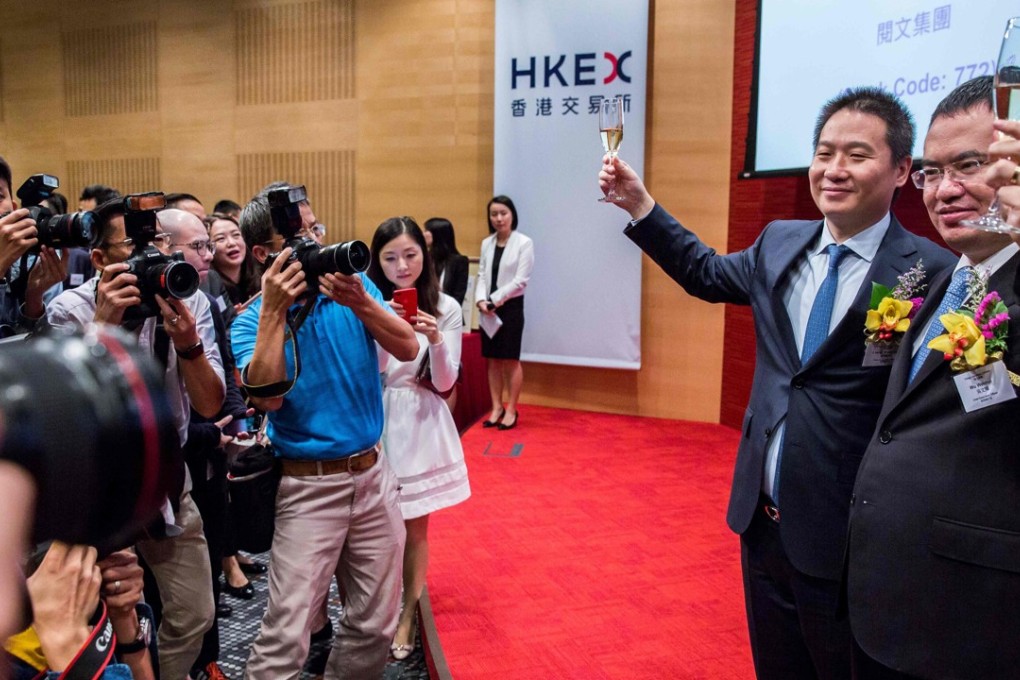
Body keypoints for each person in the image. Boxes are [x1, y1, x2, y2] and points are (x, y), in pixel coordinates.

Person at [599, 87, 955, 680]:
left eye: (857, 155)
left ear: (901, 171)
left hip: (847, 534)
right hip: (761, 524)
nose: (834, 170)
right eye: (824, 152)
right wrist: (641, 205)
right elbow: (705, 273)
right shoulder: (779, 242)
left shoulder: (928, 273)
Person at [846, 76, 1020, 680]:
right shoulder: (939, 280)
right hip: (887, 595)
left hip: (976, 614)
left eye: (968, 165)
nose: (945, 190)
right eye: (930, 171)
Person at [232, 186, 418, 679]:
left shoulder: (353, 290)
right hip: (308, 486)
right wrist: (275, 309)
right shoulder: (251, 321)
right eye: (299, 235)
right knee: (286, 632)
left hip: (374, 476)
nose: (314, 242)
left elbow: (406, 347)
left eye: (316, 229)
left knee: (375, 624)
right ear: (263, 254)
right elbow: (267, 397)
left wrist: (362, 303)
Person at [46, 197, 224, 680]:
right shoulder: (68, 310)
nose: (152, 256)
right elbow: (67, 415)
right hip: (97, 492)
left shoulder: (190, 298)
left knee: (194, 611)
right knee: (111, 618)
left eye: (158, 242)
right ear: (100, 260)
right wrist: (102, 327)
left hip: (168, 482)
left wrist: (188, 343)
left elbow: (209, 405)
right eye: (135, 246)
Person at [366, 217, 471, 659]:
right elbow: (374, 373)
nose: (401, 266)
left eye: (410, 255)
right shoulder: (368, 302)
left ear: (424, 256)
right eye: (390, 258)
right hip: (374, 416)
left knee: (414, 528)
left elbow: (446, 382)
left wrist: (435, 340)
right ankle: (374, 611)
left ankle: (407, 615)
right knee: (371, 528)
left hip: (419, 419)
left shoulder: (445, 306)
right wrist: (388, 327)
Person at [159, 208, 250, 680]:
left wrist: (229, 421)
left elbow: (217, 386)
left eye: (208, 244)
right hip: (136, 469)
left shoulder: (199, 302)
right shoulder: (80, 306)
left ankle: (205, 661)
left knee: (197, 599)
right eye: (199, 245)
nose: (209, 253)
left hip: (190, 460)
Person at [474, 195, 534, 430]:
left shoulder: (524, 243)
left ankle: (511, 409)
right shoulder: (486, 243)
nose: (498, 218)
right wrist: (480, 300)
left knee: (510, 360)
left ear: (512, 215)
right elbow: (480, 275)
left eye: (503, 213)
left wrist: (495, 301)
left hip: (509, 308)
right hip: (487, 309)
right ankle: (496, 407)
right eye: (494, 214)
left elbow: (521, 280)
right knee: (492, 360)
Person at [0, 155, 67, 337]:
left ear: (14, 209)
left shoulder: (27, 264)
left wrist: (34, 298)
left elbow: (31, 356)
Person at [424, 217, 469, 307]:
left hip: (450, 312)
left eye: (426, 230)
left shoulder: (459, 261)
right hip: (425, 311)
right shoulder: (424, 258)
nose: (423, 234)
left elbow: (458, 296)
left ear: (436, 234)